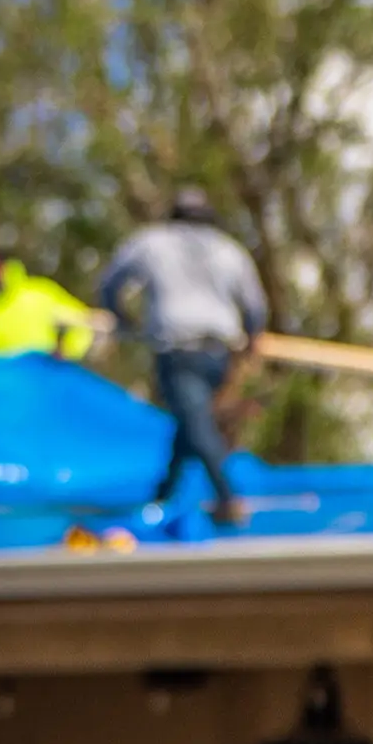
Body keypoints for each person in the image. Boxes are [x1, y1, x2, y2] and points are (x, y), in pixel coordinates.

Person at [99, 187, 268, 532]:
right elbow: (255, 307)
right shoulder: (229, 250)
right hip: (219, 353)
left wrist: (123, 318)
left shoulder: (151, 242)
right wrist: (251, 340)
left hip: (178, 350)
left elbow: (110, 283)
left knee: (196, 422)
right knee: (191, 420)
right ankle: (163, 495)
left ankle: (227, 497)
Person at [0, 254, 97, 365]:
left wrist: (67, 352)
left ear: (5, 268)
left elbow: (83, 323)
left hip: (50, 383)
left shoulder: (41, 294)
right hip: (8, 393)